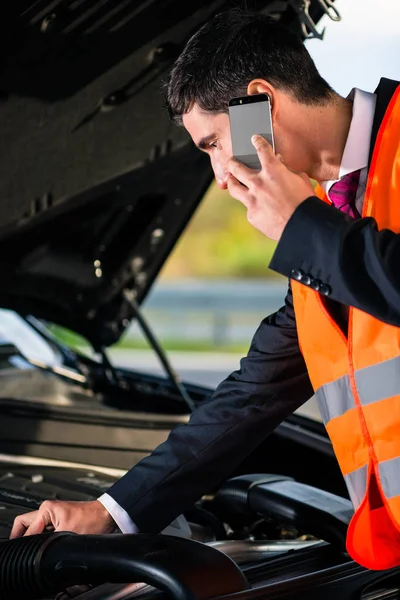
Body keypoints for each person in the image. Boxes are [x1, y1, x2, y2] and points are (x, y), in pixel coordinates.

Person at [10, 9, 400, 570]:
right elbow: (253, 394)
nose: (219, 175)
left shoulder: (317, 222)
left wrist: (304, 228)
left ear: (259, 102)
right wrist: (112, 511)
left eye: (215, 143)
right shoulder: (324, 215)